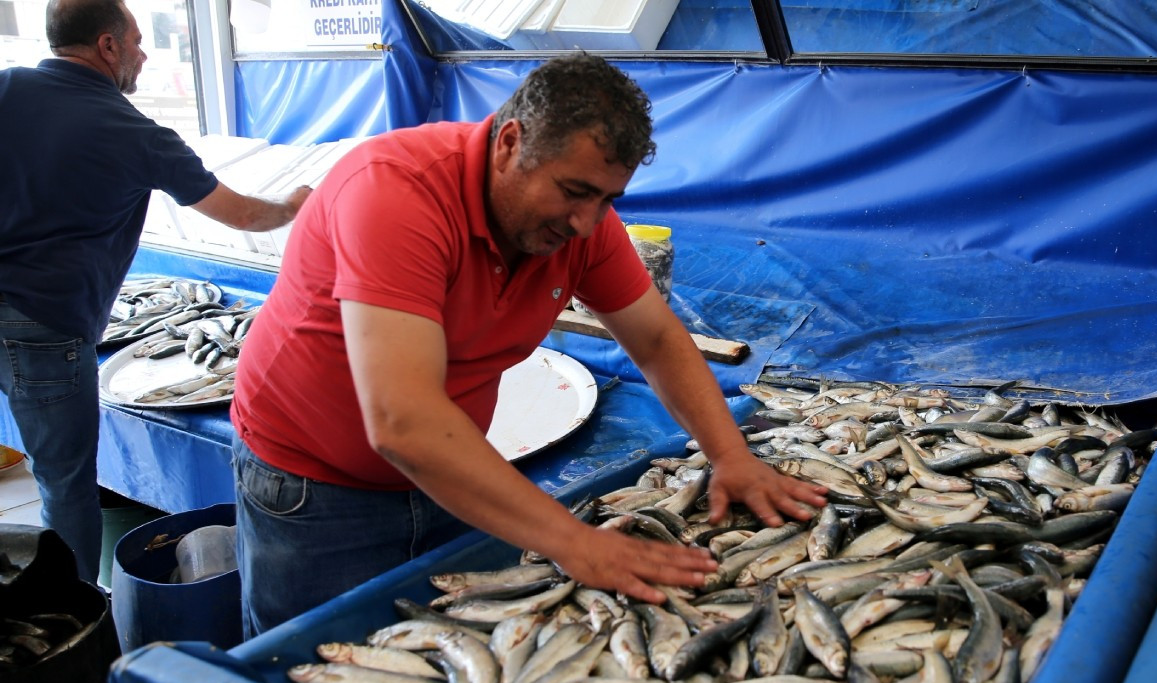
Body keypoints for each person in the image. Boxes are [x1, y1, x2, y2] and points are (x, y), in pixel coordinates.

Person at [230, 52, 827, 637]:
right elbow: (401, 421)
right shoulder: (396, 193)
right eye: (573, 191)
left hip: (451, 474)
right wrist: (574, 543)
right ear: (510, 142)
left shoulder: (581, 226)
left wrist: (731, 457)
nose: (586, 223)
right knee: (307, 675)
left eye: (607, 200)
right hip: (313, 490)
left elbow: (655, 338)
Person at [0, 0, 311, 584]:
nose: (144, 55)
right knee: (66, 483)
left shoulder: (6, 88)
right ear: (107, 46)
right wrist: (295, 205)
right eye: (138, 41)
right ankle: (72, 616)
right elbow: (242, 215)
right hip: (44, 326)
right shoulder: (134, 132)